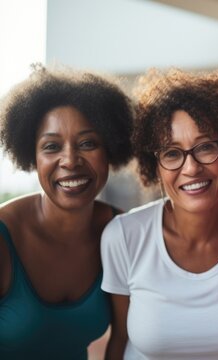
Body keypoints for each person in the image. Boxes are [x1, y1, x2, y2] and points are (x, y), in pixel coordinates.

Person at [100, 68, 218, 359]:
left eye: (204, 148)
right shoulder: (124, 236)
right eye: (172, 153)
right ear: (156, 168)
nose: (191, 168)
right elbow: (119, 340)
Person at [0, 65, 134, 359]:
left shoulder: (122, 231)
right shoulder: (4, 236)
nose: (70, 160)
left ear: (110, 149)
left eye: (88, 143)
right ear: (31, 156)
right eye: (51, 146)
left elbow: (123, 338)